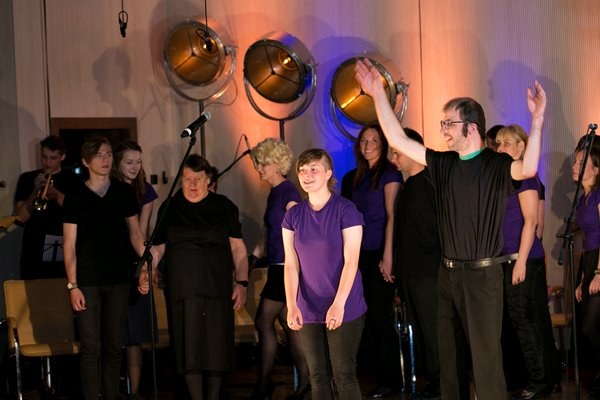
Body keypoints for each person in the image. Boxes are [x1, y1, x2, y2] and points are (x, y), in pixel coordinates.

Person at [354, 58, 546, 400]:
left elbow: (528, 168)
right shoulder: (442, 164)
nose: (442, 129)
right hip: (448, 274)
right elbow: (397, 139)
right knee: (449, 360)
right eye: (442, 123)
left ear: (470, 127)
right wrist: (378, 95)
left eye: (448, 123)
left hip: (484, 276)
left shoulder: (495, 163)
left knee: (486, 362)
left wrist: (538, 119)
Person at [139, 154, 248, 400]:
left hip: (216, 288)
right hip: (182, 290)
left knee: (216, 349)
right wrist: (148, 267)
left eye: (198, 179)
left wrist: (242, 282)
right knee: (188, 349)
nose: (192, 184)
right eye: (187, 179)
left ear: (208, 179)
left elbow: (238, 249)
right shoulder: (170, 207)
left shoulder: (224, 206)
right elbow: (158, 248)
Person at [63, 136, 146, 400]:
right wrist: (73, 285)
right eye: (99, 155)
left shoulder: (124, 192)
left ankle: (111, 395)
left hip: (118, 277)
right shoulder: (75, 196)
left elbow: (135, 233)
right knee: (90, 346)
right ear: (86, 161)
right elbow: (69, 244)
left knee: (114, 344)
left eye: (108, 154)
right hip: (87, 280)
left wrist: (147, 263)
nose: (105, 159)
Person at [283, 148, 366, 400]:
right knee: (317, 376)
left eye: (314, 169)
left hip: (343, 303)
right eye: (302, 170)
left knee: (343, 375)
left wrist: (338, 304)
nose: (306, 175)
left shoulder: (346, 210)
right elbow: (291, 264)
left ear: (328, 173)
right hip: (308, 306)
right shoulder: (293, 215)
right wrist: (292, 305)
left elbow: (351, 261)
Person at [495, 125, 560, 399]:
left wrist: (520, 261)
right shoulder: (504, 177)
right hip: (509, 258)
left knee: (524, 319)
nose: (500, 148)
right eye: (498, 143)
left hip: (524, 259)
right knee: (520, 320)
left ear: (521, 147)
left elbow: (532, 221)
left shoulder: (526, 176)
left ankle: (539, 380)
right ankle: (537, 378)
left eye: (506, 143)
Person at [341, 124, 402, 398]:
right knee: (365, 317)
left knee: (380, 317)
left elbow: (392, 216)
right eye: (364, 140)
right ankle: (376, 376)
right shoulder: (354, 177)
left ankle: (391, 381)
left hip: (380, 251)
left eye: (374, 140)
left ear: (382, 144)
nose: (368, 145)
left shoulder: (390, 173)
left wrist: (388, 256)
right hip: (359, 254)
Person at [248, 138, 310, 399]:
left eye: (263, 163)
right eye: (257, 163)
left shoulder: (288, 192)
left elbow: (301, 228)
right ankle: (305, 382)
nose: (258, 168)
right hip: (277, 266)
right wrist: (253, 257)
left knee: (263, 321)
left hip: (286, 268)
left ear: (277, 164)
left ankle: (265, 385)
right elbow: (269, 231)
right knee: (289, 326)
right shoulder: (275, 192)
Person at [390, 128, 441, 398]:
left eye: (397, 153)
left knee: (433, 329)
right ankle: (433, 379)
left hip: (429, 270)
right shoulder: (408, 185)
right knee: (420, 329)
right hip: (411, 270)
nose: (394, 159)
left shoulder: (432, 182)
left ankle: (442, 381)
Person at [111, 140, 159, 400]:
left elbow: (141, 231)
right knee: (112, 331)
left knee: (134, 334)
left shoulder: (145, 191)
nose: (134, 167)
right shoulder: (109, 188)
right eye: (129, 162)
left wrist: (146, 267)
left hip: (135, 263)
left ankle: (135, 391)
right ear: (117, 163)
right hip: (111, 262)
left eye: (138, 162)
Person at [14, 135, 79, 279]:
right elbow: (21, 218)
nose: (47, 163)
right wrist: (35, 191)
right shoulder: (27, 178)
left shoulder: (74, 181)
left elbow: (79, 213)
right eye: (44, 157)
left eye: (53, 158)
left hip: (63, 251)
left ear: (62, 157)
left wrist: (56, 194)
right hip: (33, 252)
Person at [573, 138, 600, 395]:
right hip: (589, 260)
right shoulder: (583, 199)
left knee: (591, 324)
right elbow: (584, 239)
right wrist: (583, 278)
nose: (575, 166)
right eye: (575, 161)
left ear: (596, 168)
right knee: (589, 324)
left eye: (581, 162)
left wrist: (599, 273)